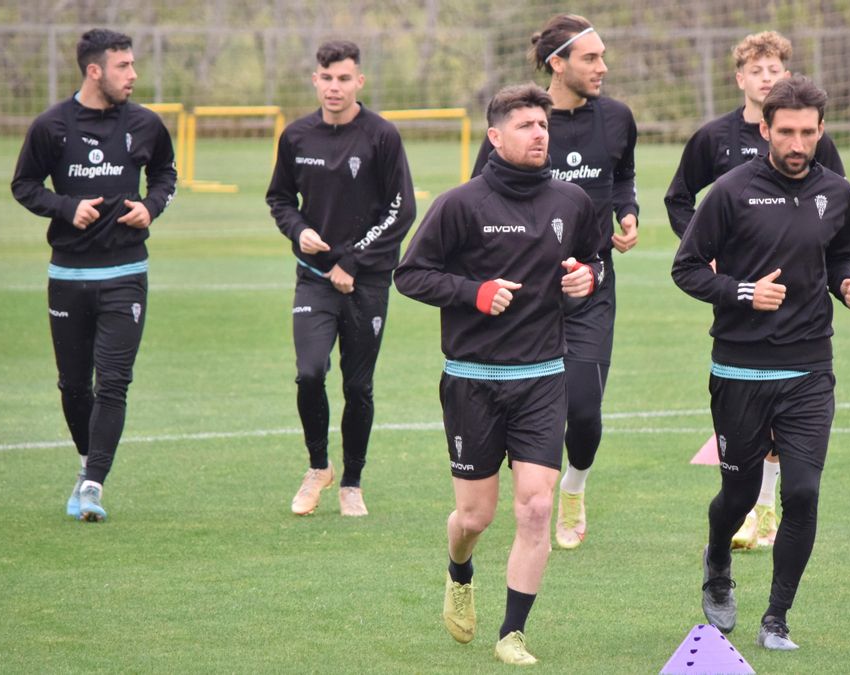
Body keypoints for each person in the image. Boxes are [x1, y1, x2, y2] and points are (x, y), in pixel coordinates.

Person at [394, 83, 603, 666]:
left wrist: (586, 282)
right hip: (471, 379)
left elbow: (593, 264)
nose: (540, 134)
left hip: (542, 376)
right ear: (494, 136)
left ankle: (513, 632)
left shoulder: (572, 201)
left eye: (544, 124)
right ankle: (459, 570)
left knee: (536, 507)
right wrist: (474, 293)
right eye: (526, 125)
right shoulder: (460, 204)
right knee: (475, 516)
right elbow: (410, 275)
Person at [671, 75, 850, 651]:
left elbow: (840, 253)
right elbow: (686, 270)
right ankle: (716, 563)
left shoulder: (838, 191)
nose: (798, 143)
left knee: (802, 493)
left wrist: (847, 284)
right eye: (787, 132)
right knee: (738, 496)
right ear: (766, 129)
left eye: (808, 132)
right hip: (740, 368)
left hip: (810, 368)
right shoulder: (729, 192)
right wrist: (741, 293)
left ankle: (777, 618)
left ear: (821, 130)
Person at [665, 30, 847, 550]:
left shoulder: (809, 137)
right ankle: (744, 513)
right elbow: (680, 200)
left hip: (800, 316)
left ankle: (766, 512)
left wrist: (841, 277)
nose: (768, 78)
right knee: (747, 432)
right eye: (758, 71)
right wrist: (709, 252)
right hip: (736, 303)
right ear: (741, 79)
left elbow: (833, 210)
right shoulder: (715, 139)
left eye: (776, 70)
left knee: (789, 421)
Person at [471, 14, 639, 550]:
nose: (602, 67)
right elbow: (479, 197)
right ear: (556, 64)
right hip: (527, 302)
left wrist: (627, 210)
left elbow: (622, 174)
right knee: (517, 413)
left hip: (591, 289)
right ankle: (513, 500)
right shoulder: (520, 123)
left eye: (603, 56)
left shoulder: (616, 119)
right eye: (591, 58)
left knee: (585, 414)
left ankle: (575, 484)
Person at [11, 28, 177, 523]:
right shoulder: (51, 127)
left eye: (132, 64)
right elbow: (23, 185)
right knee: (73, 386)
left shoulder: (146, 124)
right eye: (123, 66)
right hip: (68, 275)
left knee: (114, 382)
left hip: (126, 272)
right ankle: (88, 462)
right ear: (94, 71)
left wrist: (151, 208)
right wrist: (66, 207)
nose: (133, 74)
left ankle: (93, 484)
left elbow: (166, 175)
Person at [266, 40, 415, 518]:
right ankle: (318, 468)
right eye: (327, 78)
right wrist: (299, 229)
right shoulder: (295, 137)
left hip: (366, 280)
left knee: (359, 386)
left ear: (359, 82)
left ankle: (352, 481)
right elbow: (280, 199)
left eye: (344, 79)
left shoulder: (381, 136)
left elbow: (401, 209)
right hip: (313, 277)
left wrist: (351, 261)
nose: (335, 87)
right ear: (315, 80)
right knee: (310, 373)